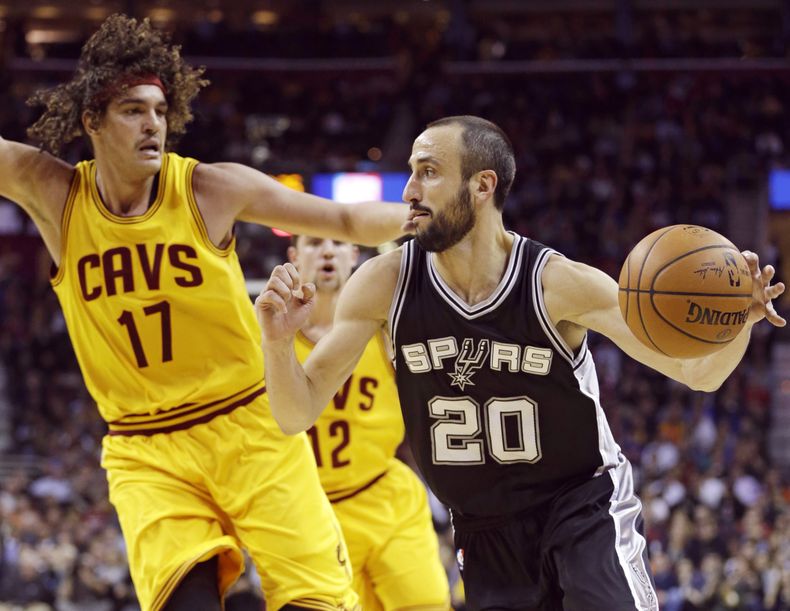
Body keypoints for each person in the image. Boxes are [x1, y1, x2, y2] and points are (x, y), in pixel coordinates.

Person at [256, 115, 786, 611]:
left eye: (429, 172)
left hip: (581, 509)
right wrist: (278, 344)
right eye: (412, 172)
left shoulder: (556, 284)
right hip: (482, 530)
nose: (409, 191)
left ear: (482, 186)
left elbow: (702, 373)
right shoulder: (383, 284)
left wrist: (737, 319)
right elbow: (295, 412)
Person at [0, 14, 411, 611]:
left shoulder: (207, 189)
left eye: (161, 111)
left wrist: (437, 221)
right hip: (146, 447)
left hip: (250, 425)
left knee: (318, 602)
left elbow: (346, 221)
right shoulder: (55, 193)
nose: (153, 125)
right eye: (133, 111)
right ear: (92, 120)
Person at [287, 235, 450, 610]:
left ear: (355, 256)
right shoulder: (268, 335)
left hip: (382, 495)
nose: (327, 251)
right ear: (293, 256)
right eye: (313, 243)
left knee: (426, 602)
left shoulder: (385, 328)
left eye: (338, 244)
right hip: (308, 512)